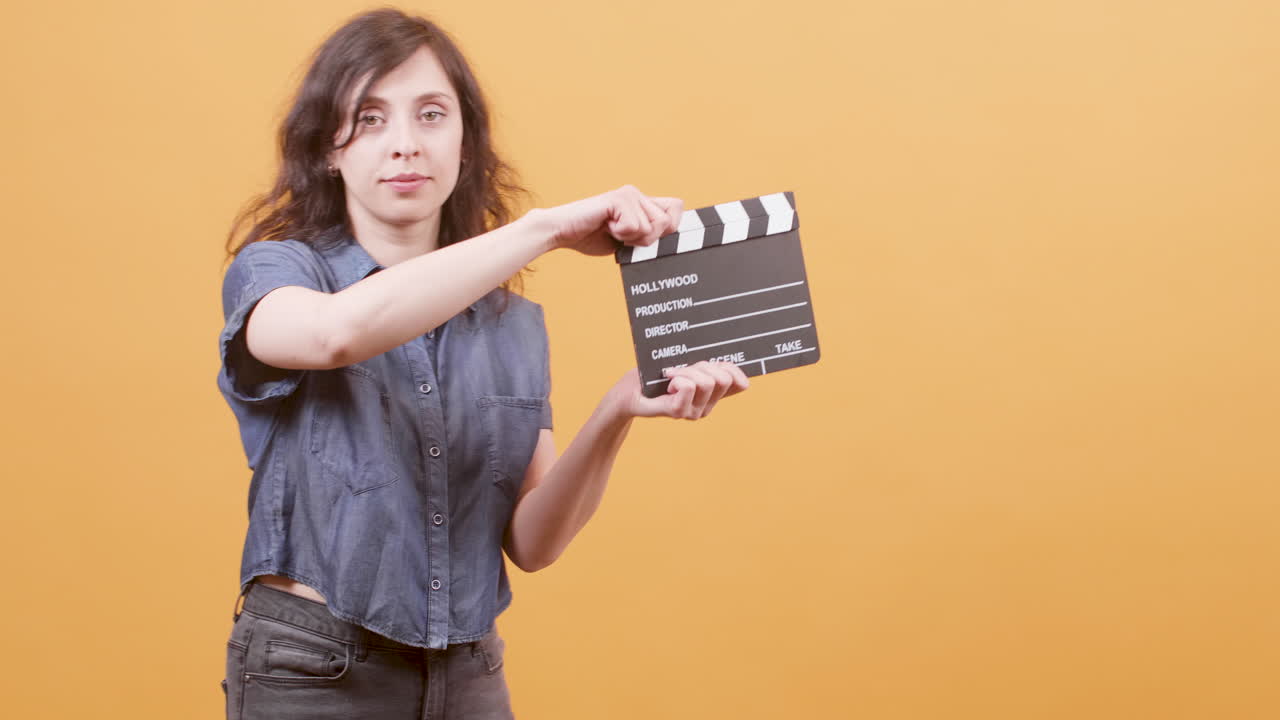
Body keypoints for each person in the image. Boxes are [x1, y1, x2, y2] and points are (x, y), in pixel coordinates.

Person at [216, 8, 749, 719]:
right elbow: (332, 337)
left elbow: (534, 543)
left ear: (465, 144)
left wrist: (618, 409)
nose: (404, 144)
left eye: (431, 114)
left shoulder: (512, 326)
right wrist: (544, 230)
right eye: (369, 118)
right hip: (316, 673)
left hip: (469, 676)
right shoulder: (281, 273)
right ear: (328, 150)